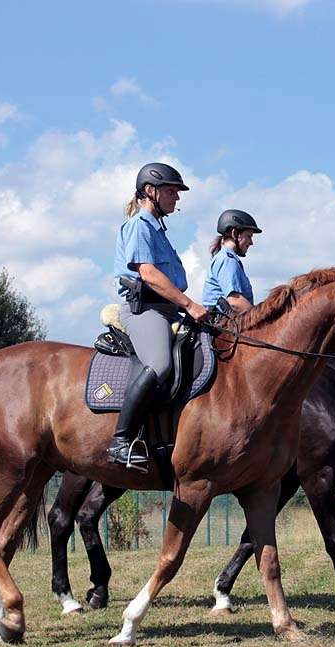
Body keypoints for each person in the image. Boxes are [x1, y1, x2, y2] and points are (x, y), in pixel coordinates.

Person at [109, 162, 209, 471]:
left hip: (166, 309)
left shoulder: (158, 230)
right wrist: (190, 304)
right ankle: (121, 441)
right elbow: (149, 274)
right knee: (161, 364)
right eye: (171, 191)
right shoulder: (140, 225)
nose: (176, 198)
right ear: (150, 192)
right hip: (144, 310)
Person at [201, 209, 262, 312]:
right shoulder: (227, 259)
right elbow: (235, 301)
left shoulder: (228, 258)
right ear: (234, 233)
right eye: (249, 236)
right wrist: (260, 319)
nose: (251, 242)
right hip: (223, 324)